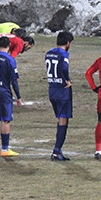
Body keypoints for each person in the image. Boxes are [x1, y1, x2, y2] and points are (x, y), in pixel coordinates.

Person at [0, 33, 34, 104]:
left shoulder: (15, 39)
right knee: (1, 72)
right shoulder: (20, 43)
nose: (27, 50)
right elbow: (10, 59)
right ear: (26, 42)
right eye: (28, 47)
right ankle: (1, 93)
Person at [45, 31, 74, 161]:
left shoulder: (49, 53)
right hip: (62, 91)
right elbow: (64, 67)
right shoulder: (64, 54)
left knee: (60, 119)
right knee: (63, 120)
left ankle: (58, 150)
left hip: (52, 89)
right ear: (68, 43)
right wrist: (67, 80)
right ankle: (56, 152)